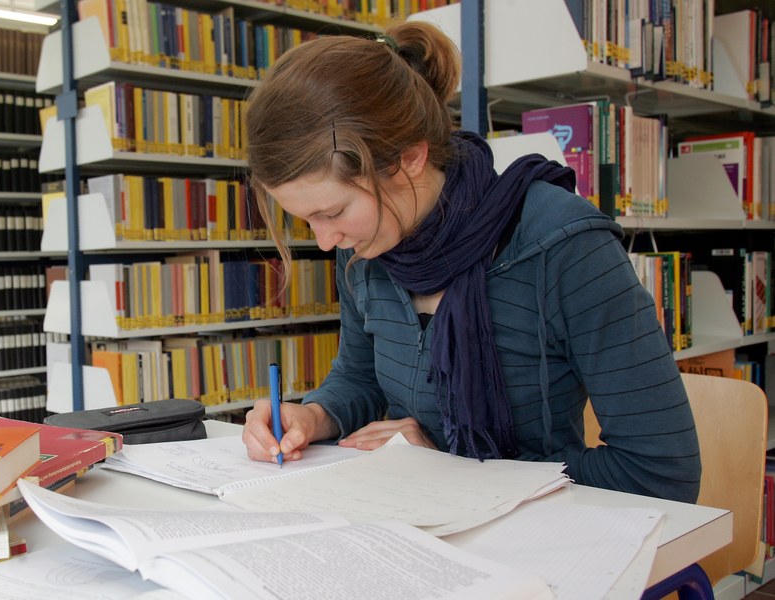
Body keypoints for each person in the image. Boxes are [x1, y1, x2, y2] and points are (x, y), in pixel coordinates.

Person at [240, 20, 701, 503]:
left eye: (331, 212)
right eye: (306, 220)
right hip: (407, 514)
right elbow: (361, 377)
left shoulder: (563, 245)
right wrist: (315, 416)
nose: (327, 241)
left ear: (410, 159)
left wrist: (448, 463)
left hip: (544, 535)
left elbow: (660, 474)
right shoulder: (367, 248)